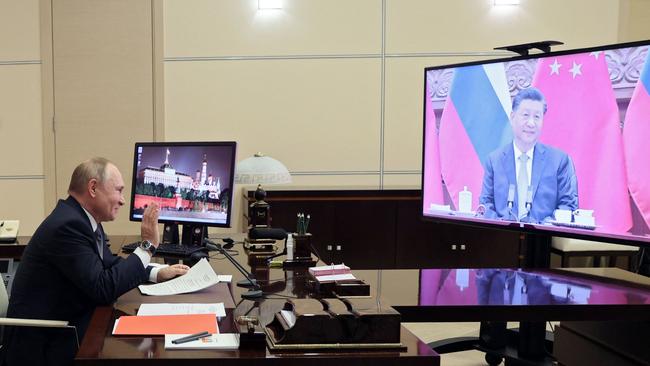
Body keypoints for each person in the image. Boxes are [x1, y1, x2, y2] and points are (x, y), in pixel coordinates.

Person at [2, 158, 190, 365]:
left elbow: (108, 264)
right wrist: (147, 247)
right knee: (145, 346)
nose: (123, 200)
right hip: (47, 342)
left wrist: (155, 273)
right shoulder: (68, 226)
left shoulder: (81, 219)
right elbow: (103, 287)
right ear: (93, 188)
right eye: (118, 190)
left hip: (70, 324)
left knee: (144, 337)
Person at [479, 87, 578, 223]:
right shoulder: (494, 161)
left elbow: (568, 206)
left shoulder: (559, 161)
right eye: (525, 115)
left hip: (544, 239)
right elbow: (485, 205)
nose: (531, 123)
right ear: (513, 117)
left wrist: (540, 229)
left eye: (537, 117)